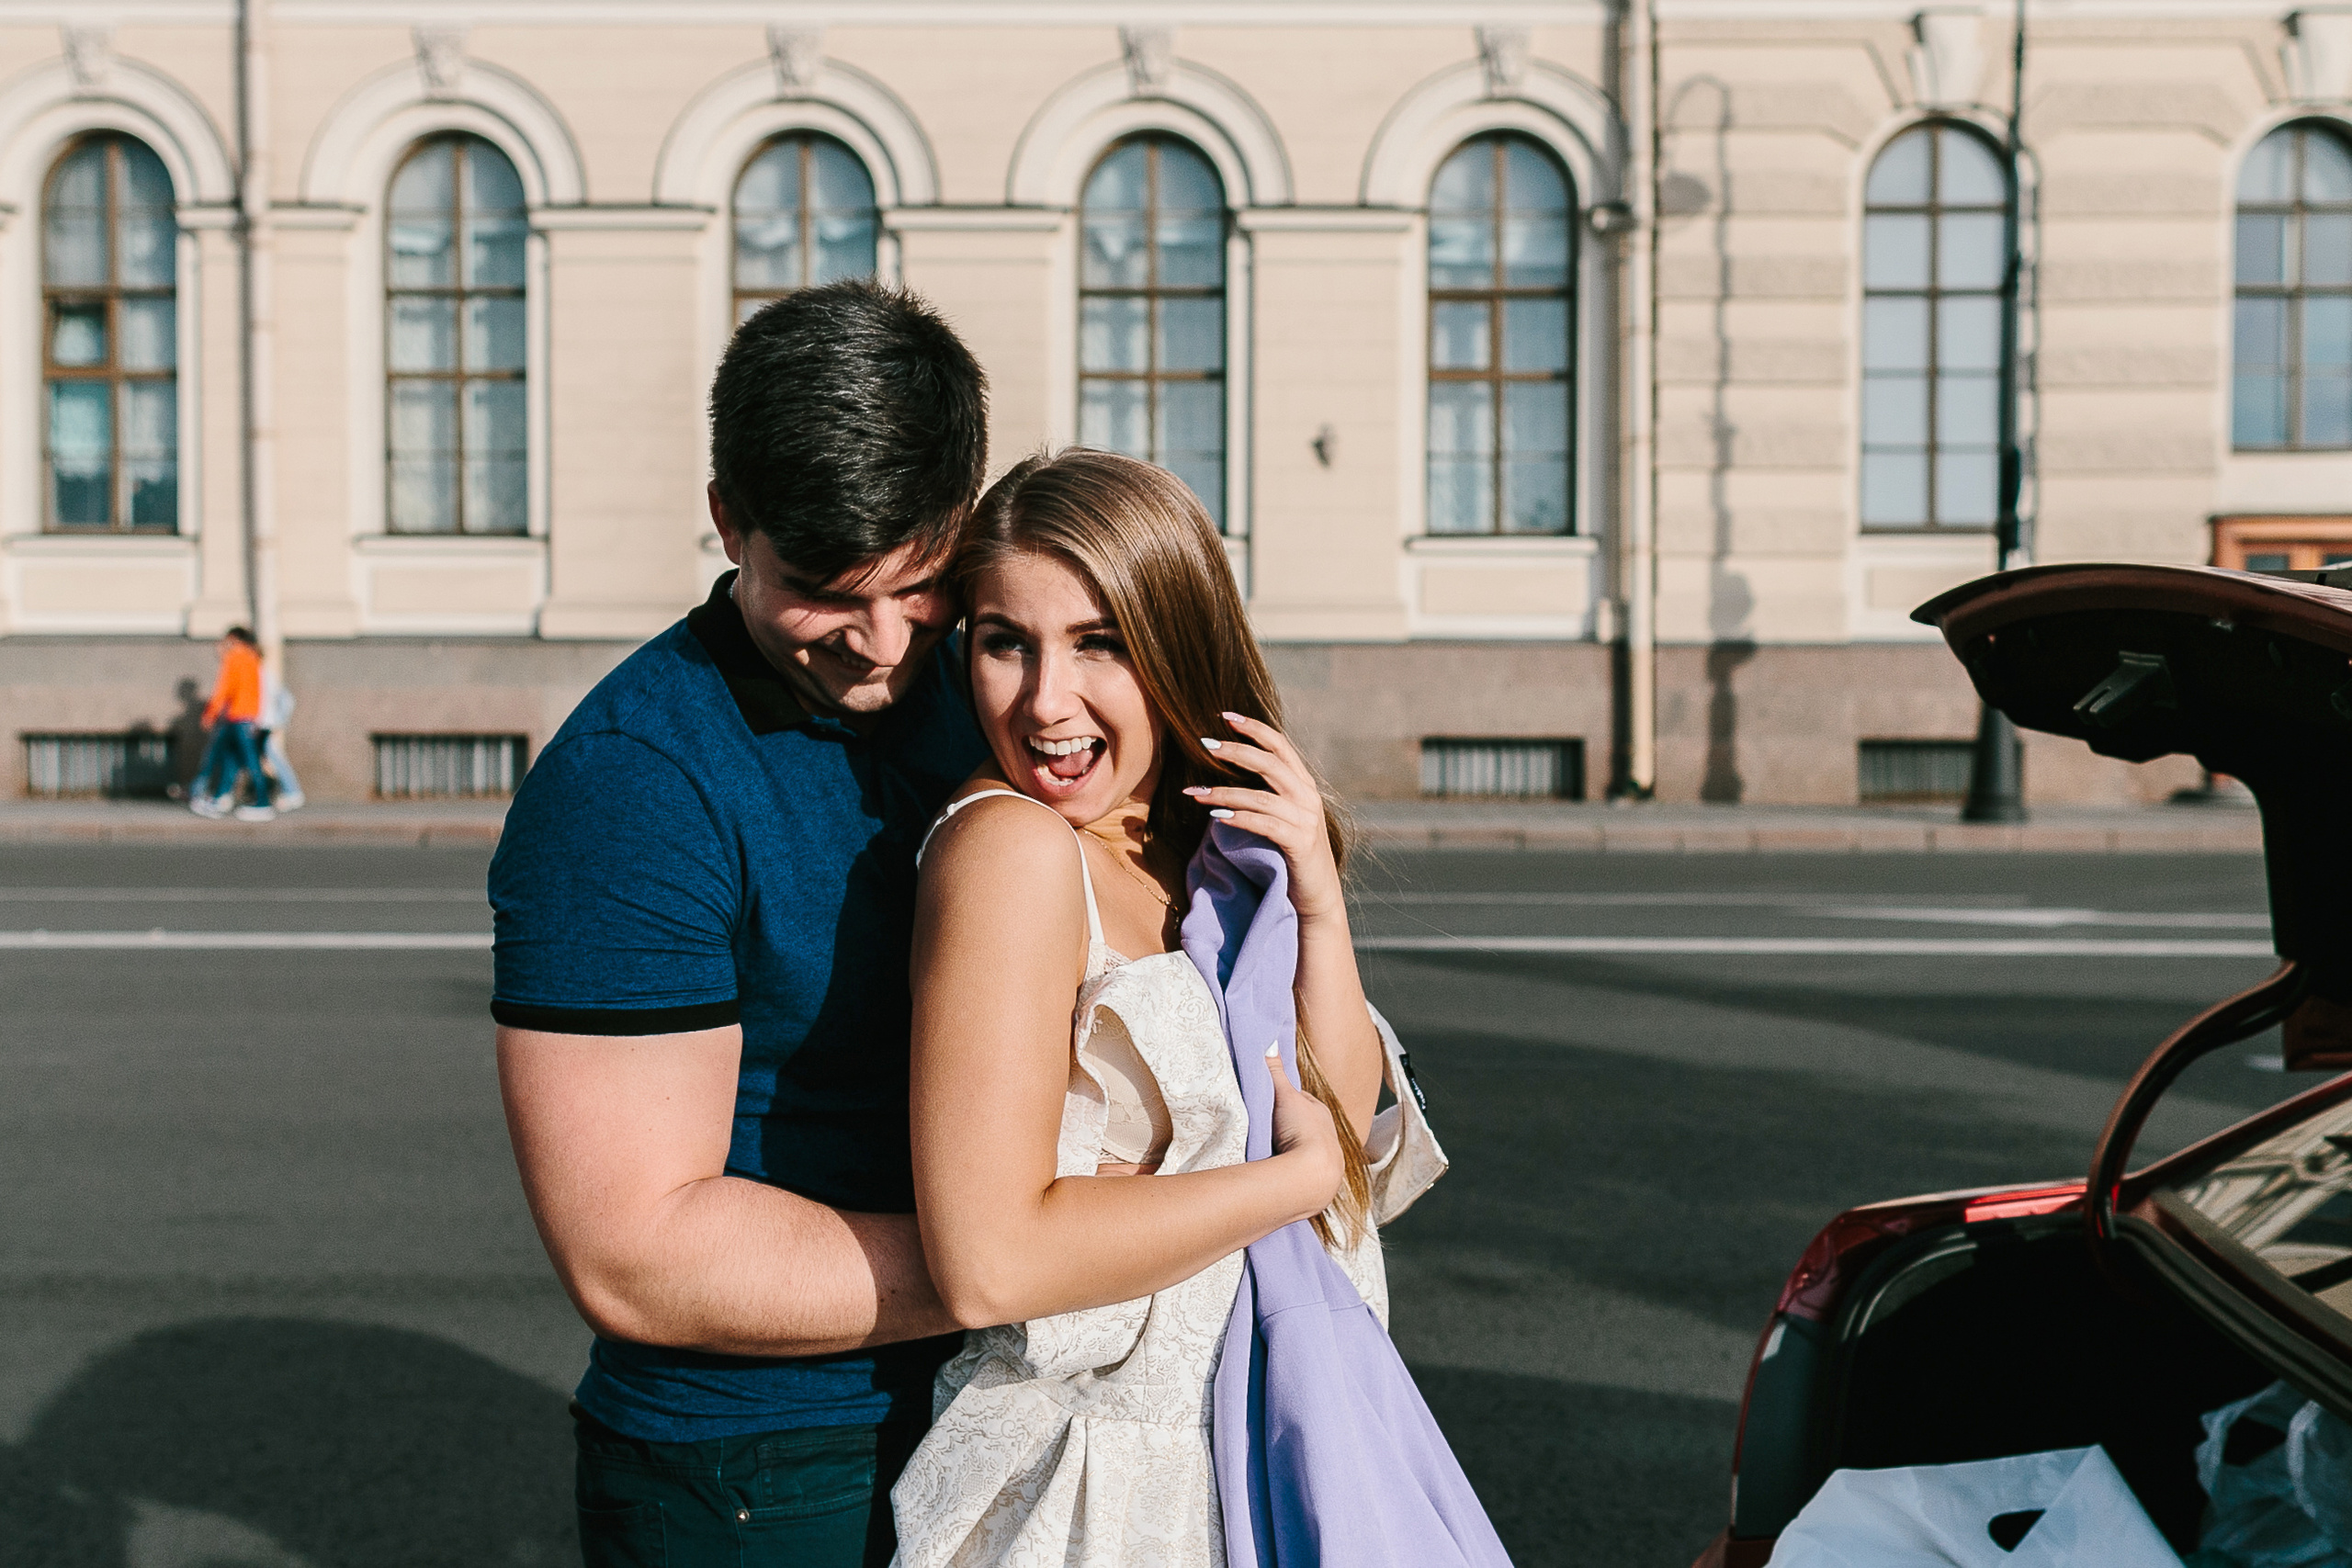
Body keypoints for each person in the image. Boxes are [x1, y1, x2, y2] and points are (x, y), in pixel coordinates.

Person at [890, 450, 1508, 1566]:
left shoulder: (1188, 842)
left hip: (1253, 1446)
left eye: (1099, 643)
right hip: (1105, 1494)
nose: (1044, 702)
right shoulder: (1013, 851)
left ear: (1176, 641)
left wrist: (1315, 896)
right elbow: (990, 1261)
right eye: (1003, 643)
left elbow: (1340, 1109)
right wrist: (1287, 1183)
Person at [488, 279, 989, 1568]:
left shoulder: (999, 677)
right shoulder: (632, 783)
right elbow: (639, 1252)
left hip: (1012, 1401)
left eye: (921, 583)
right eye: (823, 590)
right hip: (757, 1465)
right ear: (728, 522)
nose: (881, 643)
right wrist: (1031, 1255)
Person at [188, 626, 275, 822]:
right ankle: (219, 799)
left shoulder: (235, 656)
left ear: (234, 639)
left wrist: (210, 714)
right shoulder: (253, 657)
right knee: (232, 758)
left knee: (245, 759)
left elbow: (224, 688)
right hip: (248, 715)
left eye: (227, 639)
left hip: (237, 715)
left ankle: (262, 802)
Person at [256, 663, 305, 812]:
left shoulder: (263, 674)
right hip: (260, 723)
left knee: (274, 757)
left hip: (265, 724)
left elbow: (286, 699)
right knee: (264, 757)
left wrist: (279, 722)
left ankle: (292, 792)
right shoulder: (260, 673)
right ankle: (290, 792)